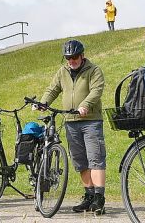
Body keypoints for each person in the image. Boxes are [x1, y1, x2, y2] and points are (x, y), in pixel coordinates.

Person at [39, 40, 107, 215]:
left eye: (75, 57)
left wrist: (85, 105)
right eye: (68, 58)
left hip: (90, 120)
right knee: (80, 160)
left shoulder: (94, 70)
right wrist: (43, 102)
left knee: (95, 158)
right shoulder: (63, 72)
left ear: (82, 56)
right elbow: (53, 89)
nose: (72, 61)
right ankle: (89, 196)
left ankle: (99, 198)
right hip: (71, 121)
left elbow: (96, 91)